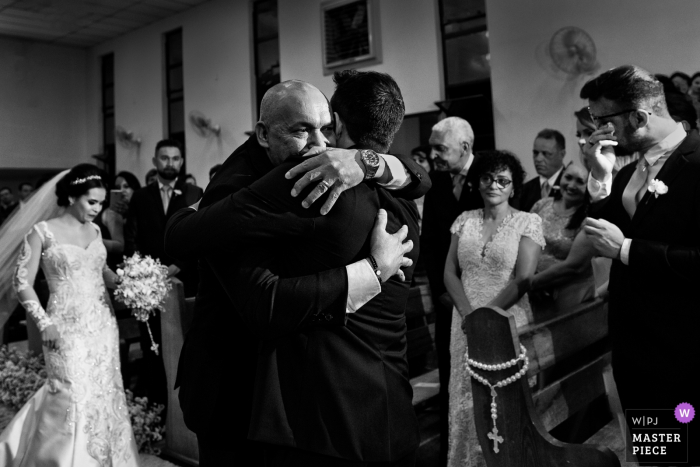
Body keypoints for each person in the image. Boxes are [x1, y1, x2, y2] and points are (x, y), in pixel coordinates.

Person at [165, 76, 429, 465]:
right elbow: (259, 300)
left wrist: (365, 161)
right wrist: (372, 272)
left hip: (297, 402)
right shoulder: (258, 185)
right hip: (231, 386)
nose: (320, 145)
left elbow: (421, 178)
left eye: (325, 129)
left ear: (338, 124)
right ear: (262, 134)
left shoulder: (353, 177)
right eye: (302, 130)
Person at [581, 65, 700, 463]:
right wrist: (600, 178)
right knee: (657, 458)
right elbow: (601, 233)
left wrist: (628, 250)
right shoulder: (630, 170)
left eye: (603, 120)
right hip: (635, 351)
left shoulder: (698, 162)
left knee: (687, 458)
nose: (597, 131)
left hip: (683, 354)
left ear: (639, 117)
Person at [0, 164, 139, 466]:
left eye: (101, 202)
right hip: (64, 326)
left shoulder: (95, 230)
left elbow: (99, 269)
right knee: (69, 392)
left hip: (102, 324)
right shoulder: (42, 231)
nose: (97, 208)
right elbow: (21, 282)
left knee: (105, 391)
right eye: (92, 202)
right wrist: (43, 322)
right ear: (72, 196)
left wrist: (128, 281)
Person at [443, 150, 543, 467]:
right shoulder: (464, 221)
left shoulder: (528, 221)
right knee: (464, 397)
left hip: (506, 318)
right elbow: (448, 272)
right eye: (487, 178)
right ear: (478, 181)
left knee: (504, 401)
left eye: (503, 180)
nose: (494, 185)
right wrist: (469, 314)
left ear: (514, 186)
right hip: (464, 321)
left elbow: (525, 278)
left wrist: (485, 317)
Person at [419, 116, 484, 465]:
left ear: (465, 147)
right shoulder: (437, 184)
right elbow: (429, 243)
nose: (433, 155)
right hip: (448, 301)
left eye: (440, 148)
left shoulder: (489, 177)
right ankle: (453, 452)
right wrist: (441, 291)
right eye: (432, 147)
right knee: (451, 379)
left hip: (485, 297)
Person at [125, 139, 203, 407]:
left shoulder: (195, 192)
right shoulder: (141, 196)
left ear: (181, 162)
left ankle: (185, 408)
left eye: (175, 158)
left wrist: (178, 265)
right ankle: (157, 404)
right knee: (152, 346)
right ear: (155, 161)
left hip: (186, 278)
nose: (170, 163)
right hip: (149, 284)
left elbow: (200, 237)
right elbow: (131, 239)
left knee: (185, 344)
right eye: (164, 158)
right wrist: (143, 271)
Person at [529, 163, 595, 309]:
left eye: (579, 181)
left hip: (568, 295)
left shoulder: (588, 220)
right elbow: (522, 242)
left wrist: (530, 283)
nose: (571, 185)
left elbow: (574, 267)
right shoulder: (542, 204)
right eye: (568, 177)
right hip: (533, 294)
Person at [94, 171, 141, 270]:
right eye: (117, 187)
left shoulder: (142, 210)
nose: (121, 190)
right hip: (113, 263)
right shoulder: (112, 212)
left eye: (126, 186)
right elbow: (119, 245)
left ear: (134, 188)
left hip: (135, 263)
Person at [518, 129, 566, 212]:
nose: (538, 159)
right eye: (535, 153)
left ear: (562, 154)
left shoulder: (573, 186)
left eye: (546, 153)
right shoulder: (524, 190)